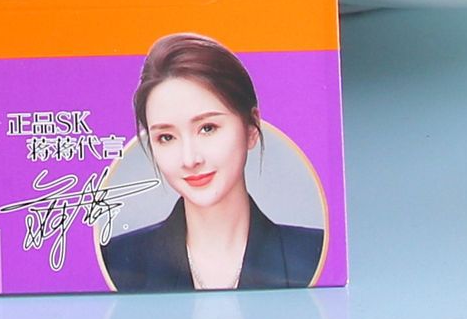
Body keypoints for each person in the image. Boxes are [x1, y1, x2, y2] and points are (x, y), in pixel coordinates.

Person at [102, 34, 323, 292]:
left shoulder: (313, 254)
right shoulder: (117, 261)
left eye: (207, 128)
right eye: (166, 137)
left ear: (251, 127)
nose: (190, 159)